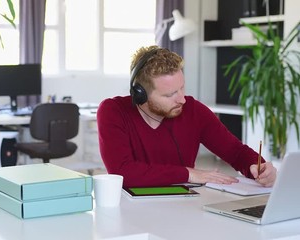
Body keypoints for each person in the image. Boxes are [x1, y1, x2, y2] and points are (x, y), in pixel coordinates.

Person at [96, 45, 277, 188]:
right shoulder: (112, 111)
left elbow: (235, 152)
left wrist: (258, 167)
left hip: (185, 205)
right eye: (169, 94)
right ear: (140, 94)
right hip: (131, 210)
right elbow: (122, 172)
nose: (182, 99)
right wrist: (188, 174)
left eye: (182, 87)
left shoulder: (194, 110)